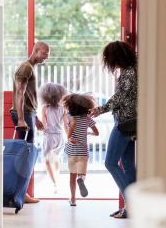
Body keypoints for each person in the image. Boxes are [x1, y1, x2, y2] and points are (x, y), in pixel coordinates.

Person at [91, 41, 137, 218]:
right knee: (127, 164)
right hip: (131, 122)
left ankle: (133, 203)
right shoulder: (134, 69)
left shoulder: (129, 73)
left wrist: (99, 110)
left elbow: (119, 98)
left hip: (124, 124)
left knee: (110, 163)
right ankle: (131, 207)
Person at [10, 41, 50, 203]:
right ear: (36, 51)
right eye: (45, 54)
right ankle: (20, 194)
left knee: (26, 155)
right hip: (23, 115)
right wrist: (21, 118)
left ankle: (21, 193)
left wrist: (36, 118)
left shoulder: (31, 68)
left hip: (28, 114)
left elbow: (28, 97)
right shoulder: (26, 68)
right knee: (24, 156)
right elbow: (19, 94)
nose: (46, 58)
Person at [62, 93, 99, 206]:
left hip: (72, 151)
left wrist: (70, 137)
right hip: (83, 151)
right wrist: (87, 132)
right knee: (81, 174)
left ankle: (73, 199)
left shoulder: (69, 117)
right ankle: (81, 179)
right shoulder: (87, 119)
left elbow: (69, 133)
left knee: (72, 175)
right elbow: (97, 133)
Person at [39, 82, 67, 193]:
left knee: (47, 161)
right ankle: (57, 181)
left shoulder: (45, 108)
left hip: (49, 136)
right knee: (56, 158)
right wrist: (69, 137)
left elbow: (44, 125)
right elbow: (65, 125)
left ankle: (54, 183)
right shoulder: (63, 108)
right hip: (60, 136)